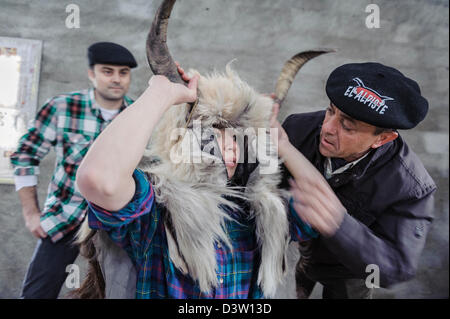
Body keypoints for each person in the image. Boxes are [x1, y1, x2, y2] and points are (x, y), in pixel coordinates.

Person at [75, 65, 317, 299]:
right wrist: (160, 94)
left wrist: (282, 144)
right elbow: (99, 180)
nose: (233, 145)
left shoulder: (263, 215)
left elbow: (322, 203)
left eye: (239, 136)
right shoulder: (156, 208)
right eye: (215, 132)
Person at [271, 62, 436, 299]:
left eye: (347, 126)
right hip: (295, 252)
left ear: (383, 138)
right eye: (330, 111)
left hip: (349, 272)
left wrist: (339, 224)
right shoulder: (298, 127)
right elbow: (257, 182)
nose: (326, 128)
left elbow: (397, 266)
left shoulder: (411, 188)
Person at [10, 42, 138, 298]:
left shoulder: (138, 116)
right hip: (63, 219)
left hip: (118, 228)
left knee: (119, 294)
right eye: (107, 71)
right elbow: (25, 155)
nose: (116, 79)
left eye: (123, 72)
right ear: (92, 73)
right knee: (36, 293)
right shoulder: (61, 107)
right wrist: (31, 213)